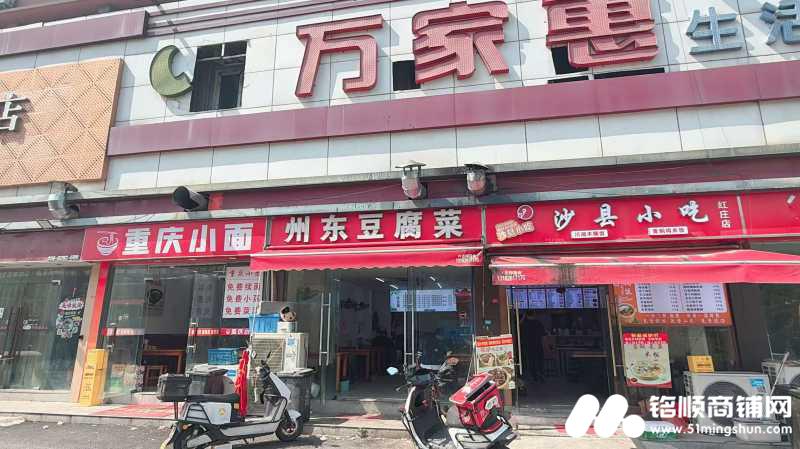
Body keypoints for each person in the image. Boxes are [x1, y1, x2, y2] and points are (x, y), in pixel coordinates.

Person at [520, 312, 546, 382]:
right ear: (534, 314)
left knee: (531, 361)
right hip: (538, 345)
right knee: (539, 361)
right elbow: (544, 334)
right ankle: (541, 375)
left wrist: (523, 317)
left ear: (526, 315)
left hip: (528, 346)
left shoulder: (524, 324)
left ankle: (534, 377)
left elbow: (518, 327)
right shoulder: (538, 323)